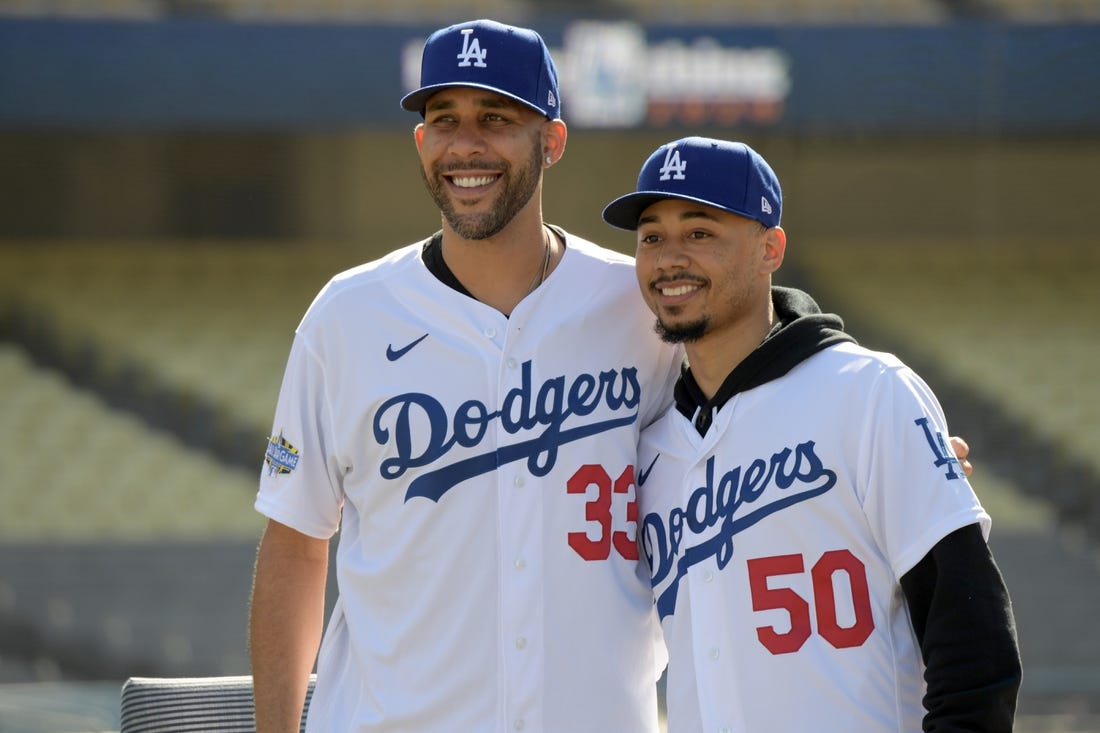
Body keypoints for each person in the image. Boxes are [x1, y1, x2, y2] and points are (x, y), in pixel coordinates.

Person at [248, 20, 975, 733]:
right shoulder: (346, 317)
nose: (465, 143)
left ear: (551, 140)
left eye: (496, 118)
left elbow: (757, 392)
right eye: (444, 120)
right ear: (421, 141)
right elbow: (296, 543)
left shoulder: (637, 304)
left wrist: (907, 448)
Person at [601, 136, 1021, 732]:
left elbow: (975, 644)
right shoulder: (651, 447)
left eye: (700, 232)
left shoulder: (869, 392)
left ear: (770, 248)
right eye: (651, 237)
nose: (670, 258)